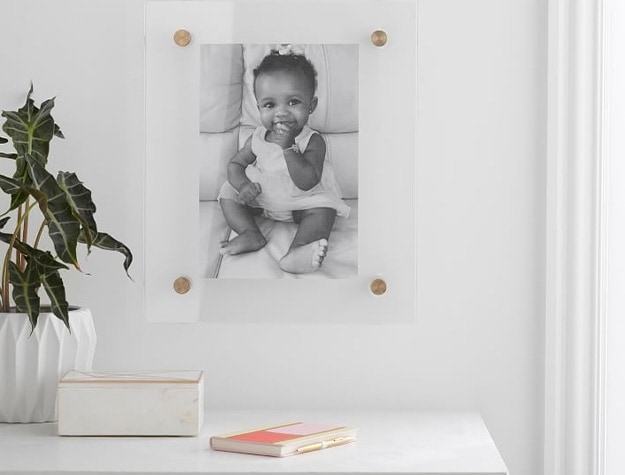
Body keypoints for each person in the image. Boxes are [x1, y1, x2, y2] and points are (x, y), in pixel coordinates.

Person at [217, 45, 350, 274]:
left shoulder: (312, 141)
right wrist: (243, 186)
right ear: (258, 108)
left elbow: (307, 181)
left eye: (293, 102)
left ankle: (299, 250)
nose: (281, 113)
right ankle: (250, 233)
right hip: (263, 200)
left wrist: (289, 147)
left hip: (302, 203)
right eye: (270, 105)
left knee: (324, 210)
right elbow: (235, 165)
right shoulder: (257, 137)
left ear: (311, 106)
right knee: (227, 194)